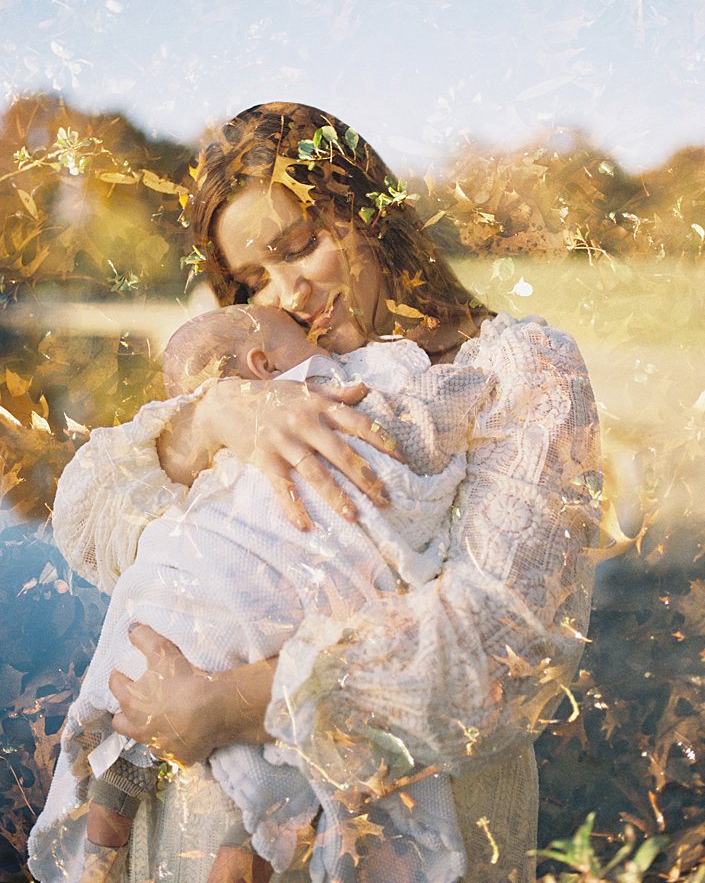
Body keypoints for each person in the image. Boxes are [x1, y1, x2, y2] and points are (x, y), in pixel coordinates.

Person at [48, 102, 601, 882]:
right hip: (180, 832)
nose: (288, 294)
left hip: (400, 830)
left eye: (299, 247)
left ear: (368, 212)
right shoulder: (263, 372)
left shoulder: (510, 371)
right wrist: (214, 417)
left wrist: (219, 706)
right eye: (251, 280)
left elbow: (502, 651)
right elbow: (88, 523)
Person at [30, 302, 488, 883]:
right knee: (273, 775)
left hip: (225, 612)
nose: (298, 305)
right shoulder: (316, 388)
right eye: (293, 326)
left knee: (128, 731)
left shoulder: (321, 386)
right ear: (264, 364)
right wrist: (210, 417)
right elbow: (101, 508)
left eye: (295, 246)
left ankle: (95, 859)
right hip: (236, 587)